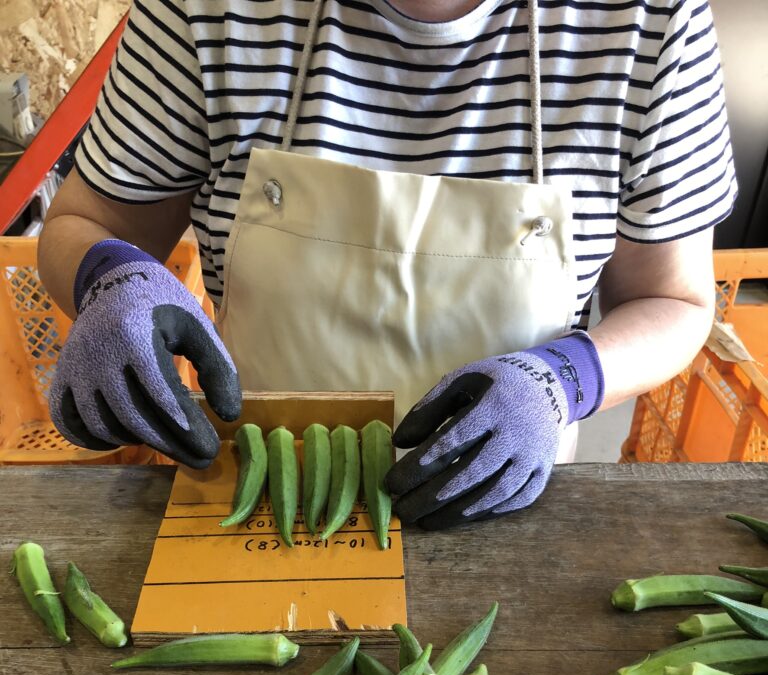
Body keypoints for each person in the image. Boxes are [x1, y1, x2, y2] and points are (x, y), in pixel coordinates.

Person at [39, 0, 736, 529]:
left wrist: (563, 380)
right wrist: (110, 279)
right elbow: (88, 220)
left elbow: (673, 299)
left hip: (497, 496)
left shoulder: (652, 22)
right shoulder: (205, 11)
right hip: (253, 496)